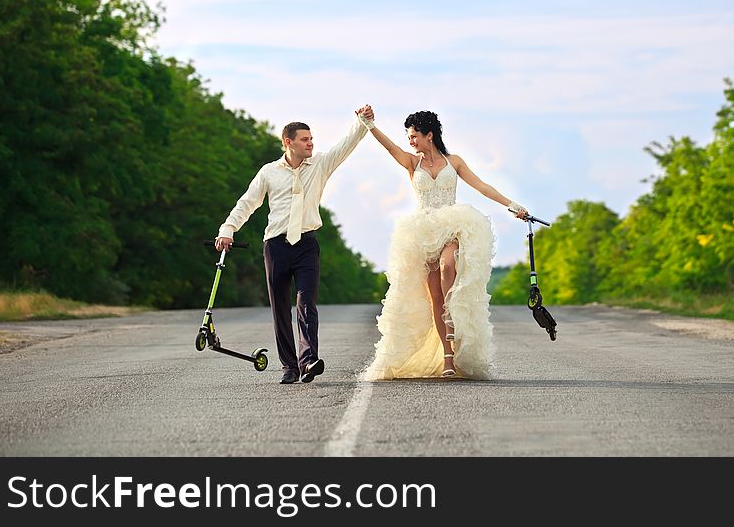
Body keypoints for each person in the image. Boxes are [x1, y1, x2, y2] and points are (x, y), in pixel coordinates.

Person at [360, 108, 528, 380]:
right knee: (435, 296)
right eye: (409, 137)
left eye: (414, 136)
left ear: (430, 135)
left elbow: (482, 186)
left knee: (448, 265)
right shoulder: (412, 163)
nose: (410, 141)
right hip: (423, 232)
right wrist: (370, 126)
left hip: (451, 226)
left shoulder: (454, 161)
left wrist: (512, 205)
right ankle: (448, 358)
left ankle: (453, 316)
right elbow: (390, 147)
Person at [215, 105, 376, 385]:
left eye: (311, 139)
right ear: (288, 142)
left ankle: (308, 360)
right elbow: (247, 203)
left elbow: (345, 146)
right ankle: (289, 366)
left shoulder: (321, 163)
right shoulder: (268, 172)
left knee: (306, 302)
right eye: (305, 139)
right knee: (279, 307)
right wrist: (228, 228)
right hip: (275, 246)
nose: (311, 143)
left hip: (306, 245)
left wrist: (362, 123)